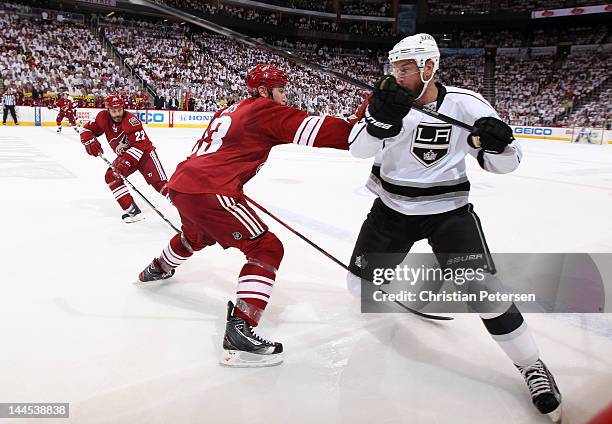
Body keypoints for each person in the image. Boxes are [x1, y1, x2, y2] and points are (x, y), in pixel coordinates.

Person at [346, 34, 562, 422]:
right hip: (391, 211)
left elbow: (506, 164)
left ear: (430, 68)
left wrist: (500, 145)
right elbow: (358, 149)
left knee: (482, 288)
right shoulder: (385, 99)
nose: (398, 75)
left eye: (406, 69)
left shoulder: (466, 103)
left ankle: (532, 365)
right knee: (359, 288)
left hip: (449, 213)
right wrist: (378, 121)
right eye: (395, 68)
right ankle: (434, 271)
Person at [138, 64, 353, 367]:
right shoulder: (265, 109)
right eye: (280, 89)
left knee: (195, 236)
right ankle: (240, 329)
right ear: (265, 90)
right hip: (211, 188)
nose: (284, 96)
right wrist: (365, 117)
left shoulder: (231, 109)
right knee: (266, 248)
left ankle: (157, 268)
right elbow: (333, 134)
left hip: (184, 184)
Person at [79, 94, 169, 223]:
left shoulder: (131, 120)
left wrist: (125, 161)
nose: (117, 114)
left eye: (119, 110)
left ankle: (187, 208)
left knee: (160, 184)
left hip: (145, 154)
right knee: (111, 176)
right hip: (126, 156)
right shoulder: (102, 117)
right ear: (108, 110)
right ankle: (132, 211)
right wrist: (87, 138)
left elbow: (139, 146)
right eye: (114, 111)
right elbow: (86, 129)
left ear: (123, 108)